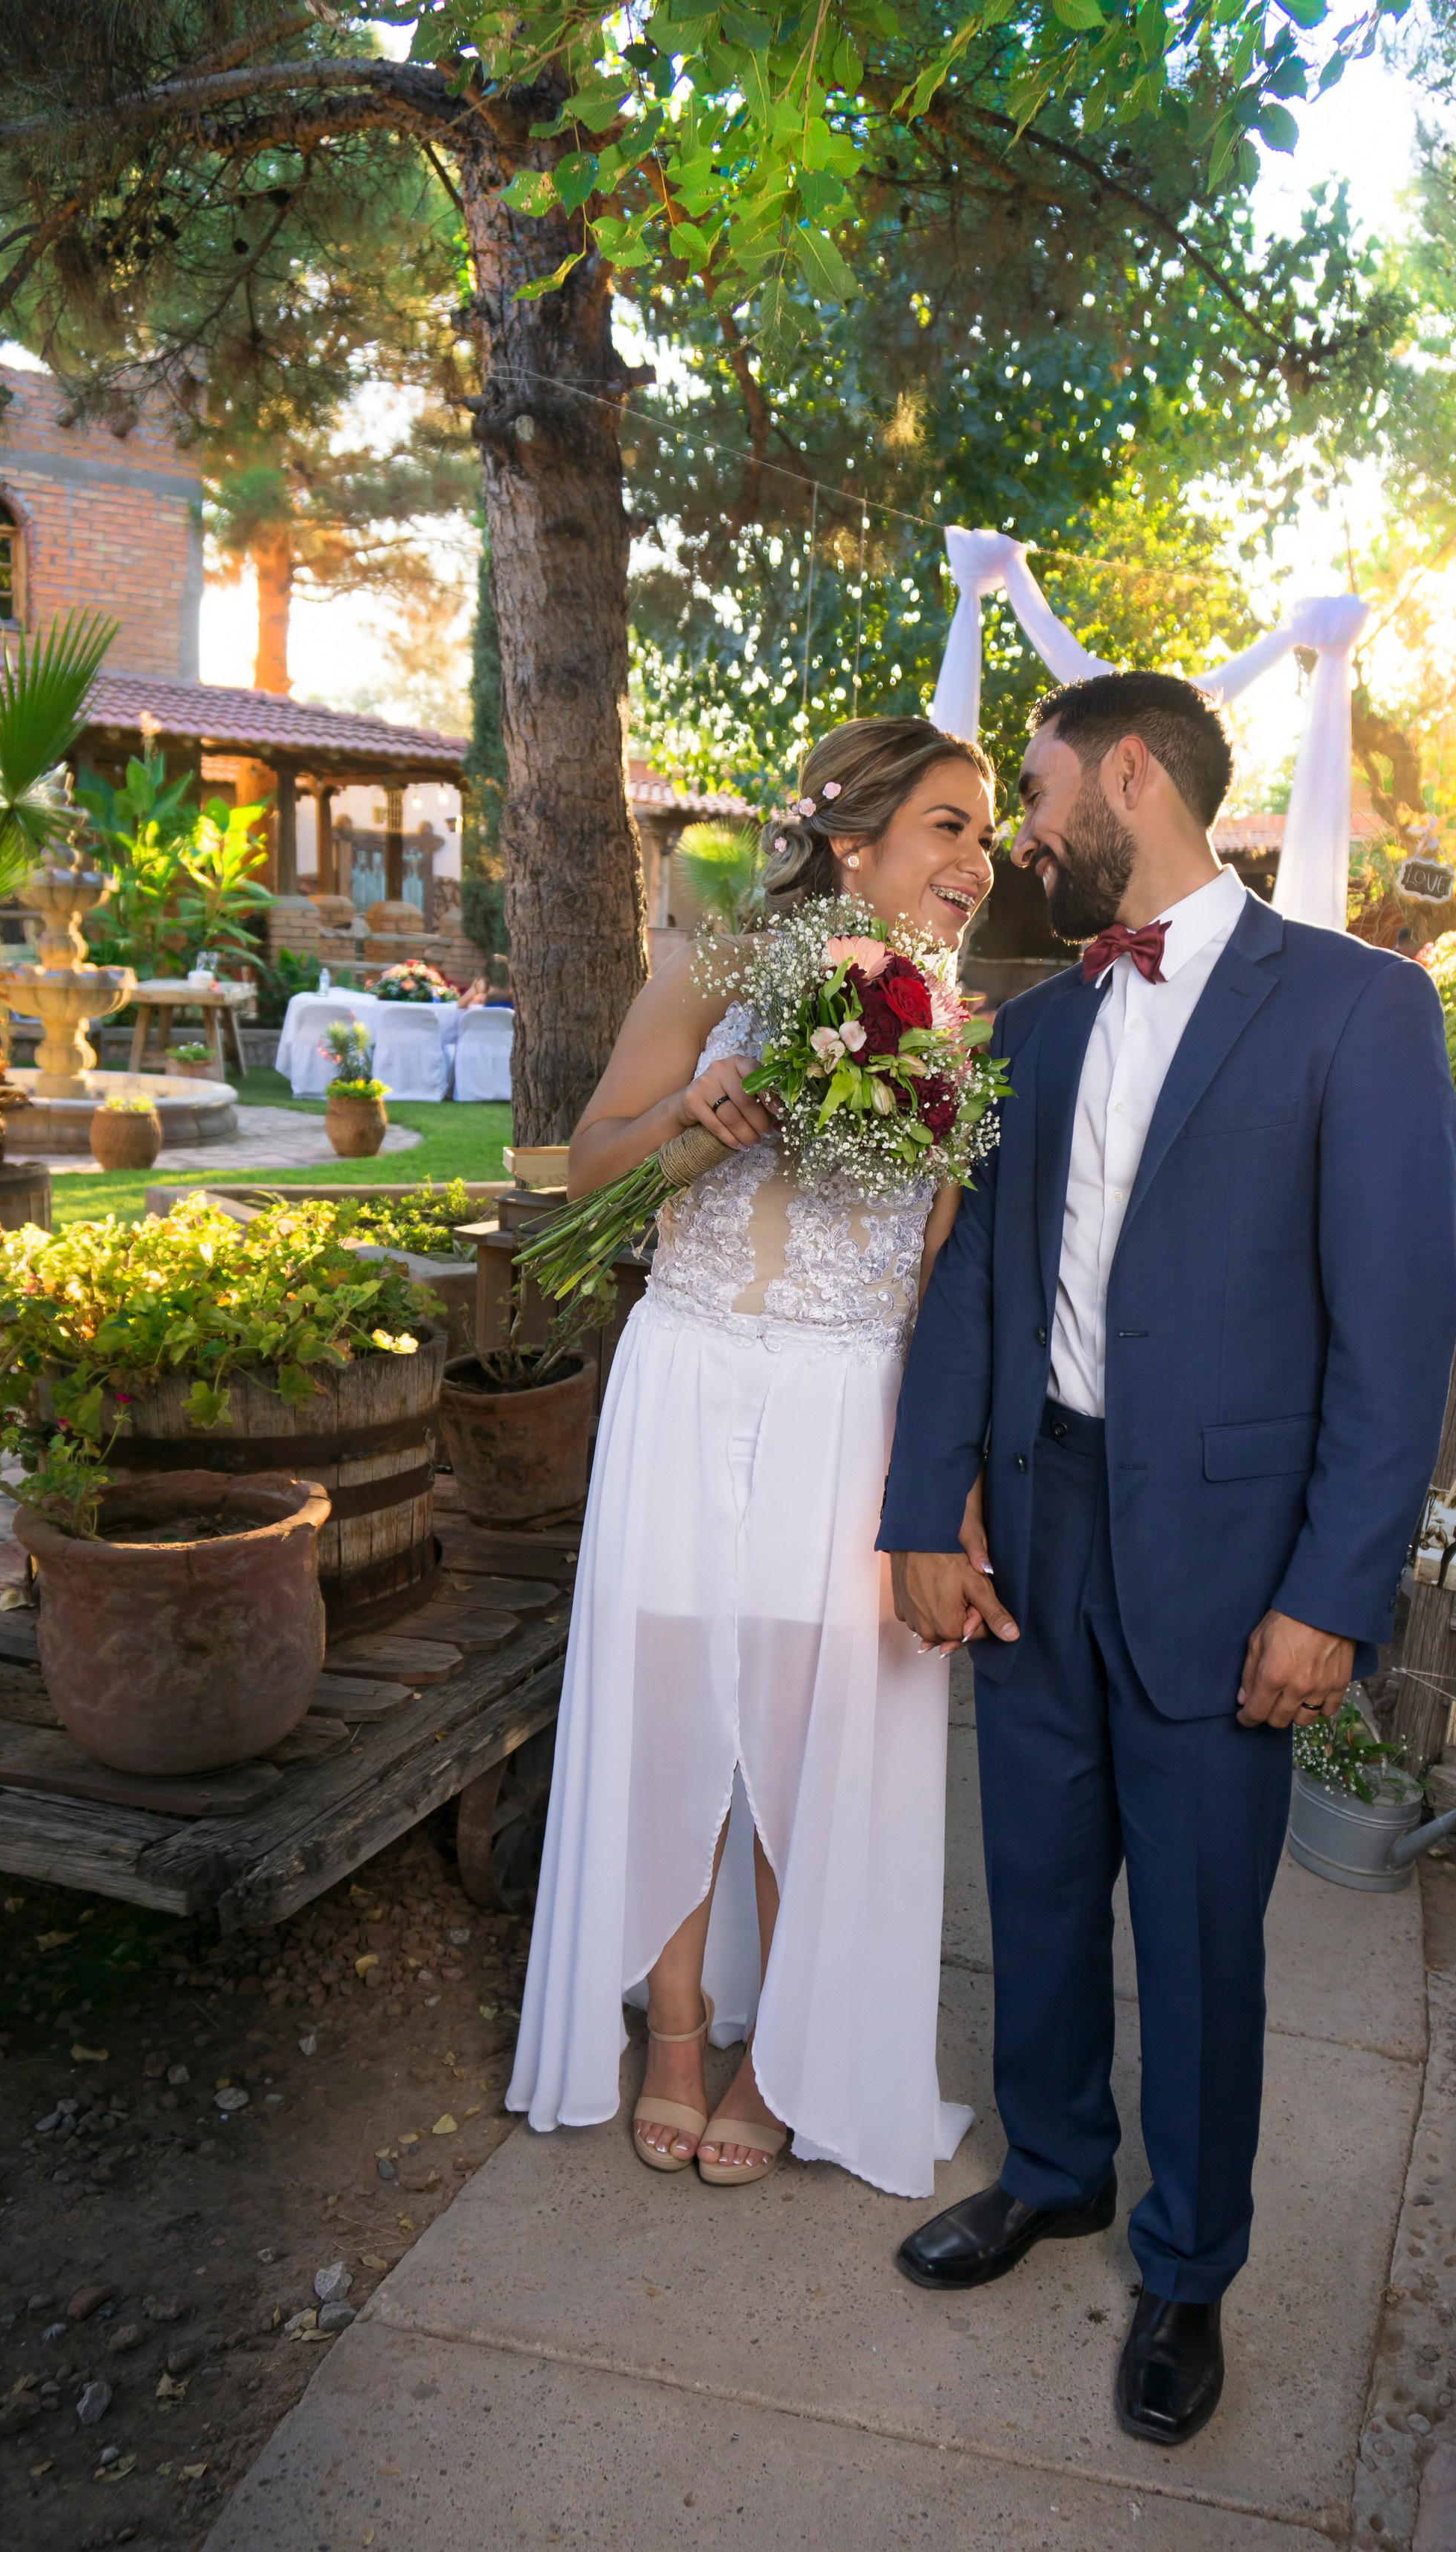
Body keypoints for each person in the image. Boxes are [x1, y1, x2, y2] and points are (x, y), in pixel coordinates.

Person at [879, 671, 1456, 2444]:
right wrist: (924, 1505)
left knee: (1202, 1935)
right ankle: (1051, 2163)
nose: (1027, 830)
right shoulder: (1035, 1028)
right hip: (1037, 1530)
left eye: (1041, 789)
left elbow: (1393, 1334)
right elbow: (974, 1281)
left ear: (1133, 771)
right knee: (1035, 1891)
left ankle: (1188, 2266)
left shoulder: (1357, 1010)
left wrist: (1330, 1595)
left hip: (1228, 1562)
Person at [507, 717, 996, 2198]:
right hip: (688, 1368)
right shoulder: (714, 965)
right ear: (853, 840)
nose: (978, 860)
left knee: (800, 1717)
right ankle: (669, 2032)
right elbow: (579, 1167)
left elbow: (933, 1267)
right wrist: (693, 1121)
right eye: (948, 827)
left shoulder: (959, 1031)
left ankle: (780, 2048)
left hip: (846, 1399)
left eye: (982, 831)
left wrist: (940, 1479)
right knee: (668, 1694)